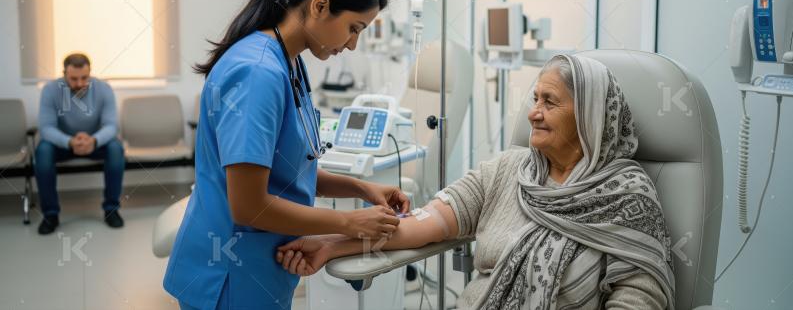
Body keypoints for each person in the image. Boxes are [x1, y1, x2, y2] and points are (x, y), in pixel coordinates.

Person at [276, 54, 676, 310]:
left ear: (589, 116)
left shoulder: (626, 195)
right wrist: (330, 245)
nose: (533, 113)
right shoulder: (510, 170)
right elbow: (424, 223)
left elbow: (640, 296)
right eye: (535, 99)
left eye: (550, 102)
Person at [163, 0, 409, 310]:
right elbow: (248, 206)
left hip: (260, 266)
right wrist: (348, 223)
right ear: (320, 6)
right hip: (228, 274)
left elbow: (291, 169)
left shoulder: (289, 62)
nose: (353, 44)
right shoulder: (258, 73)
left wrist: (361, 187)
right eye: (353, 28)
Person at [35, 53, 125, 235]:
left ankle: (111, 209)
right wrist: (69, 141)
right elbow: (46, 128)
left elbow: (111, 126)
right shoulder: (50, 90)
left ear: (90, 73)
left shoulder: (104, 89)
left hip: (94, 143)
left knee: (116, 148)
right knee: (43, 151)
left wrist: (94, 140)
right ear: (64, 74)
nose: (80, 83)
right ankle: (50, 214)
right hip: (63, 144)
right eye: (74, 79)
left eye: (84, 77)